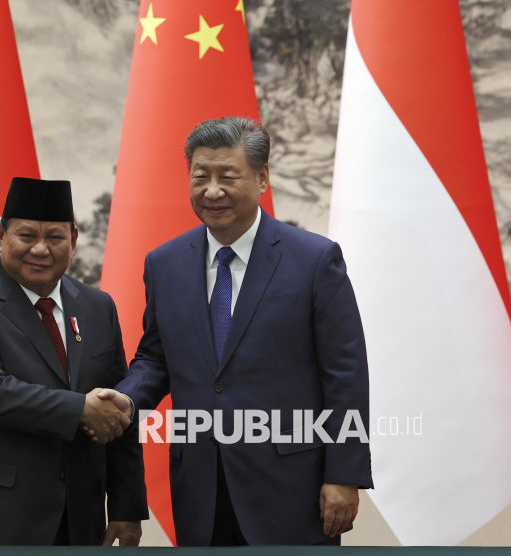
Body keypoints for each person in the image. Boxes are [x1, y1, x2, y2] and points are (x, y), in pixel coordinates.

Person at [94, 117, 373, 546]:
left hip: (291, 487)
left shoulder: (315, 260)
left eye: (228, 176)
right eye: (200, 176)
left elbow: (345, 375)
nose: (212, 191)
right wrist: (128, 397)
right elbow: (156, 357)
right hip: (201, 487)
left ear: (262, 178)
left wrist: (344, 474)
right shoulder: (164, 263)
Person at [0, 177, 148, 546]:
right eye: (27, 235)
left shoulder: (99, 308)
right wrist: (80, 408)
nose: (40, 249)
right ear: (1, 235)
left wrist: (127, 505)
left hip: (79, 521)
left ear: (74, 240)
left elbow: (116, 409)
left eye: (54, 237)